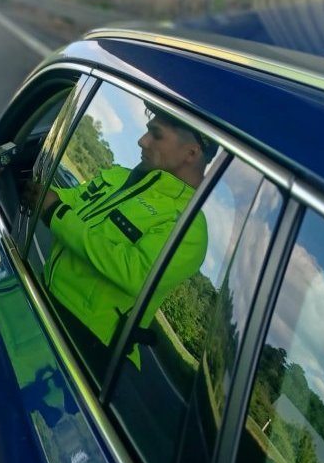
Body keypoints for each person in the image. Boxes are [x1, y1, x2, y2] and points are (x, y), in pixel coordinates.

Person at [33, 106, 216, 376]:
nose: (142, 141)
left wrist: (55, 213)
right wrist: (40, 191)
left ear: (191, 153)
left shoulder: (188, 227)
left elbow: (137, 274)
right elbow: (75, 201)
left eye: (156, 135)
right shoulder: (122, 176)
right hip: (42, 293)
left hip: (84, 344)